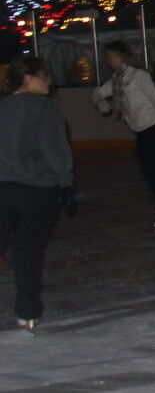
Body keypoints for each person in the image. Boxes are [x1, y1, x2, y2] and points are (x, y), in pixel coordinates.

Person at [1, 56, 76, 331]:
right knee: (28, 251)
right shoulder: (44, 108)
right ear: (28, 78)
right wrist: (65, 182)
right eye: (44, 76)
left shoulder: (2, 107)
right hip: (36, 190)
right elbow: (55, 148)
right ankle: (27, 311)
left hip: (2, 188)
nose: (49, 82)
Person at [93, 42, 155, 230]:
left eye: (111, 56)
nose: (108, 61)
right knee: (149, 171)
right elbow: (97, 93)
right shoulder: (116, 81)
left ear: (121, 56)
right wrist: (101, 103)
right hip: (141, 132)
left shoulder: (139, 76)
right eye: (107, 57)